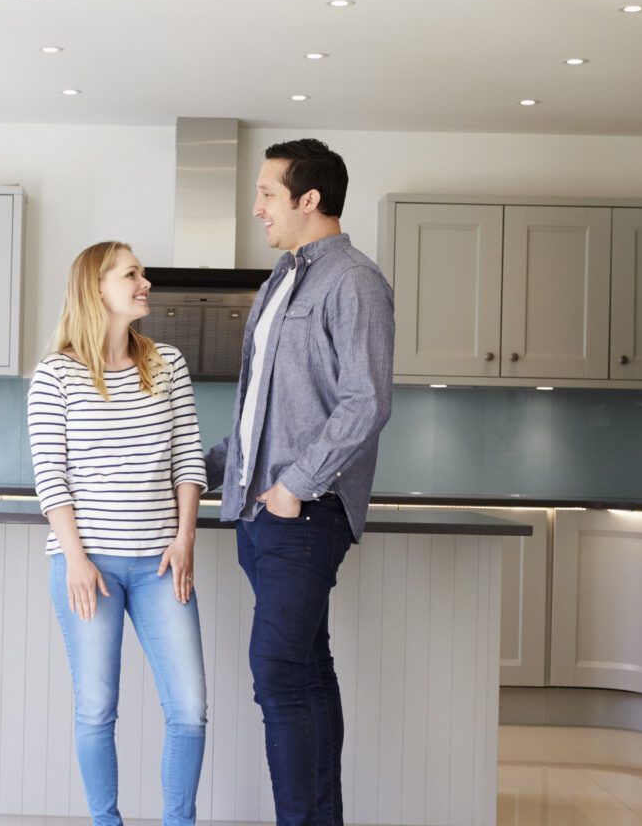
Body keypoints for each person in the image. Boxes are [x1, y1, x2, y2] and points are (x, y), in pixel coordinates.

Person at [203, 139, 394, 826]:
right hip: (262, 519)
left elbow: (366, 401)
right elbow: (259, 413)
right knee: (306, 674)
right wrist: (198, 471)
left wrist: (294, 485)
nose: (257, 209)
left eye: (266, 194)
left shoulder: (354, 281)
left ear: (308, 200)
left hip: (304, 513)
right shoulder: (279, 281)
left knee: (279, 674)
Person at [27, 241, 210, 826]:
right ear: (96, 287)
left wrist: (185, 539)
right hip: (89, 567)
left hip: (160, 565)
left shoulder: (169, 363)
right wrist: (77, 560)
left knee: (189, 709)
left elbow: (188, 460)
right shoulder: (56, 374)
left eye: (143, 274)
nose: (145, 283)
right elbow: (50, 477)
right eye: (132, 274)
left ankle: (179, 822)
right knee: (96, 708)